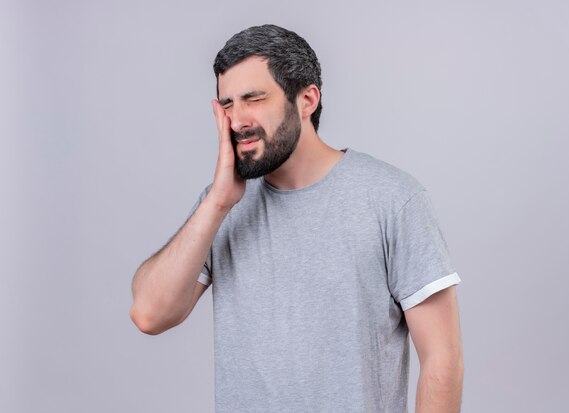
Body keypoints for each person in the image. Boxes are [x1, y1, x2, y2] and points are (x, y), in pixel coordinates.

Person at [130, 24, 463, 413]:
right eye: (227, 105)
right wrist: (219, 202)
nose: (237, 121)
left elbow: (442, 360)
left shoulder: (393, 199)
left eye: (253, 99)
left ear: (306, 100)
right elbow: (149, 314)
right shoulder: (220, 207)